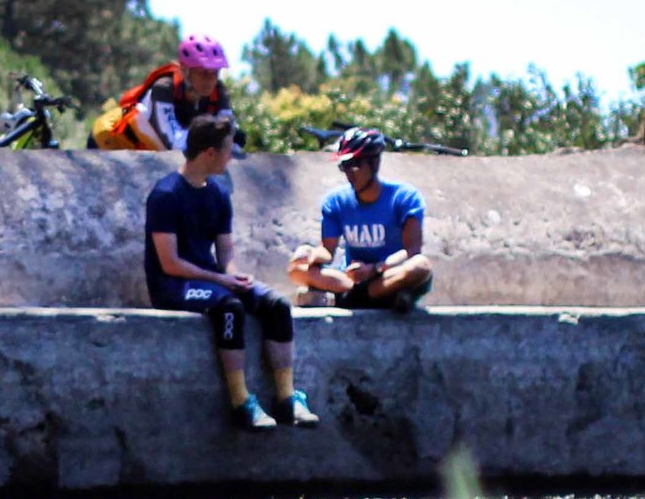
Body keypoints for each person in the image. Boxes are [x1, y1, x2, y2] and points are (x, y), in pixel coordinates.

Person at [146, 113, 316, 431]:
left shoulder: (218, 194)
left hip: (210, 280)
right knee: (229, 307)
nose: (231, 157)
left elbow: (225, 249)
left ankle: (287, 398)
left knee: (277, 305)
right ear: (209, 153)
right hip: (172, 284)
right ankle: (241, 402)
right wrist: (220, 281)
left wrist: (233, 275)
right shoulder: (166, 195)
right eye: (227, 150)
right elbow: (169, 263)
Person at [289, 127, 434, 311]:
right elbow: (327, 250)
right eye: (344, 166)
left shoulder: (405, 197)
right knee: (296, 271)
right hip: (351, 280)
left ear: (374, 163)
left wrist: (374, 269)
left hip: (388, 273)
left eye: (355, 164)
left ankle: (360, 297)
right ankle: (377, 297)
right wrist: (309, 255)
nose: (349, 172)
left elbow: (412, 250)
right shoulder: (335, 201)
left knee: (421, 267)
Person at [91, 33, 234, 152]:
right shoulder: (164, 88)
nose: (210, 80)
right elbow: (174, 144)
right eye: (202, 72)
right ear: (185, 70)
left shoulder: (219, 91)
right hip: (109, 140)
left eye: (215, 72)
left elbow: (232, 140)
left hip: (143, 151)